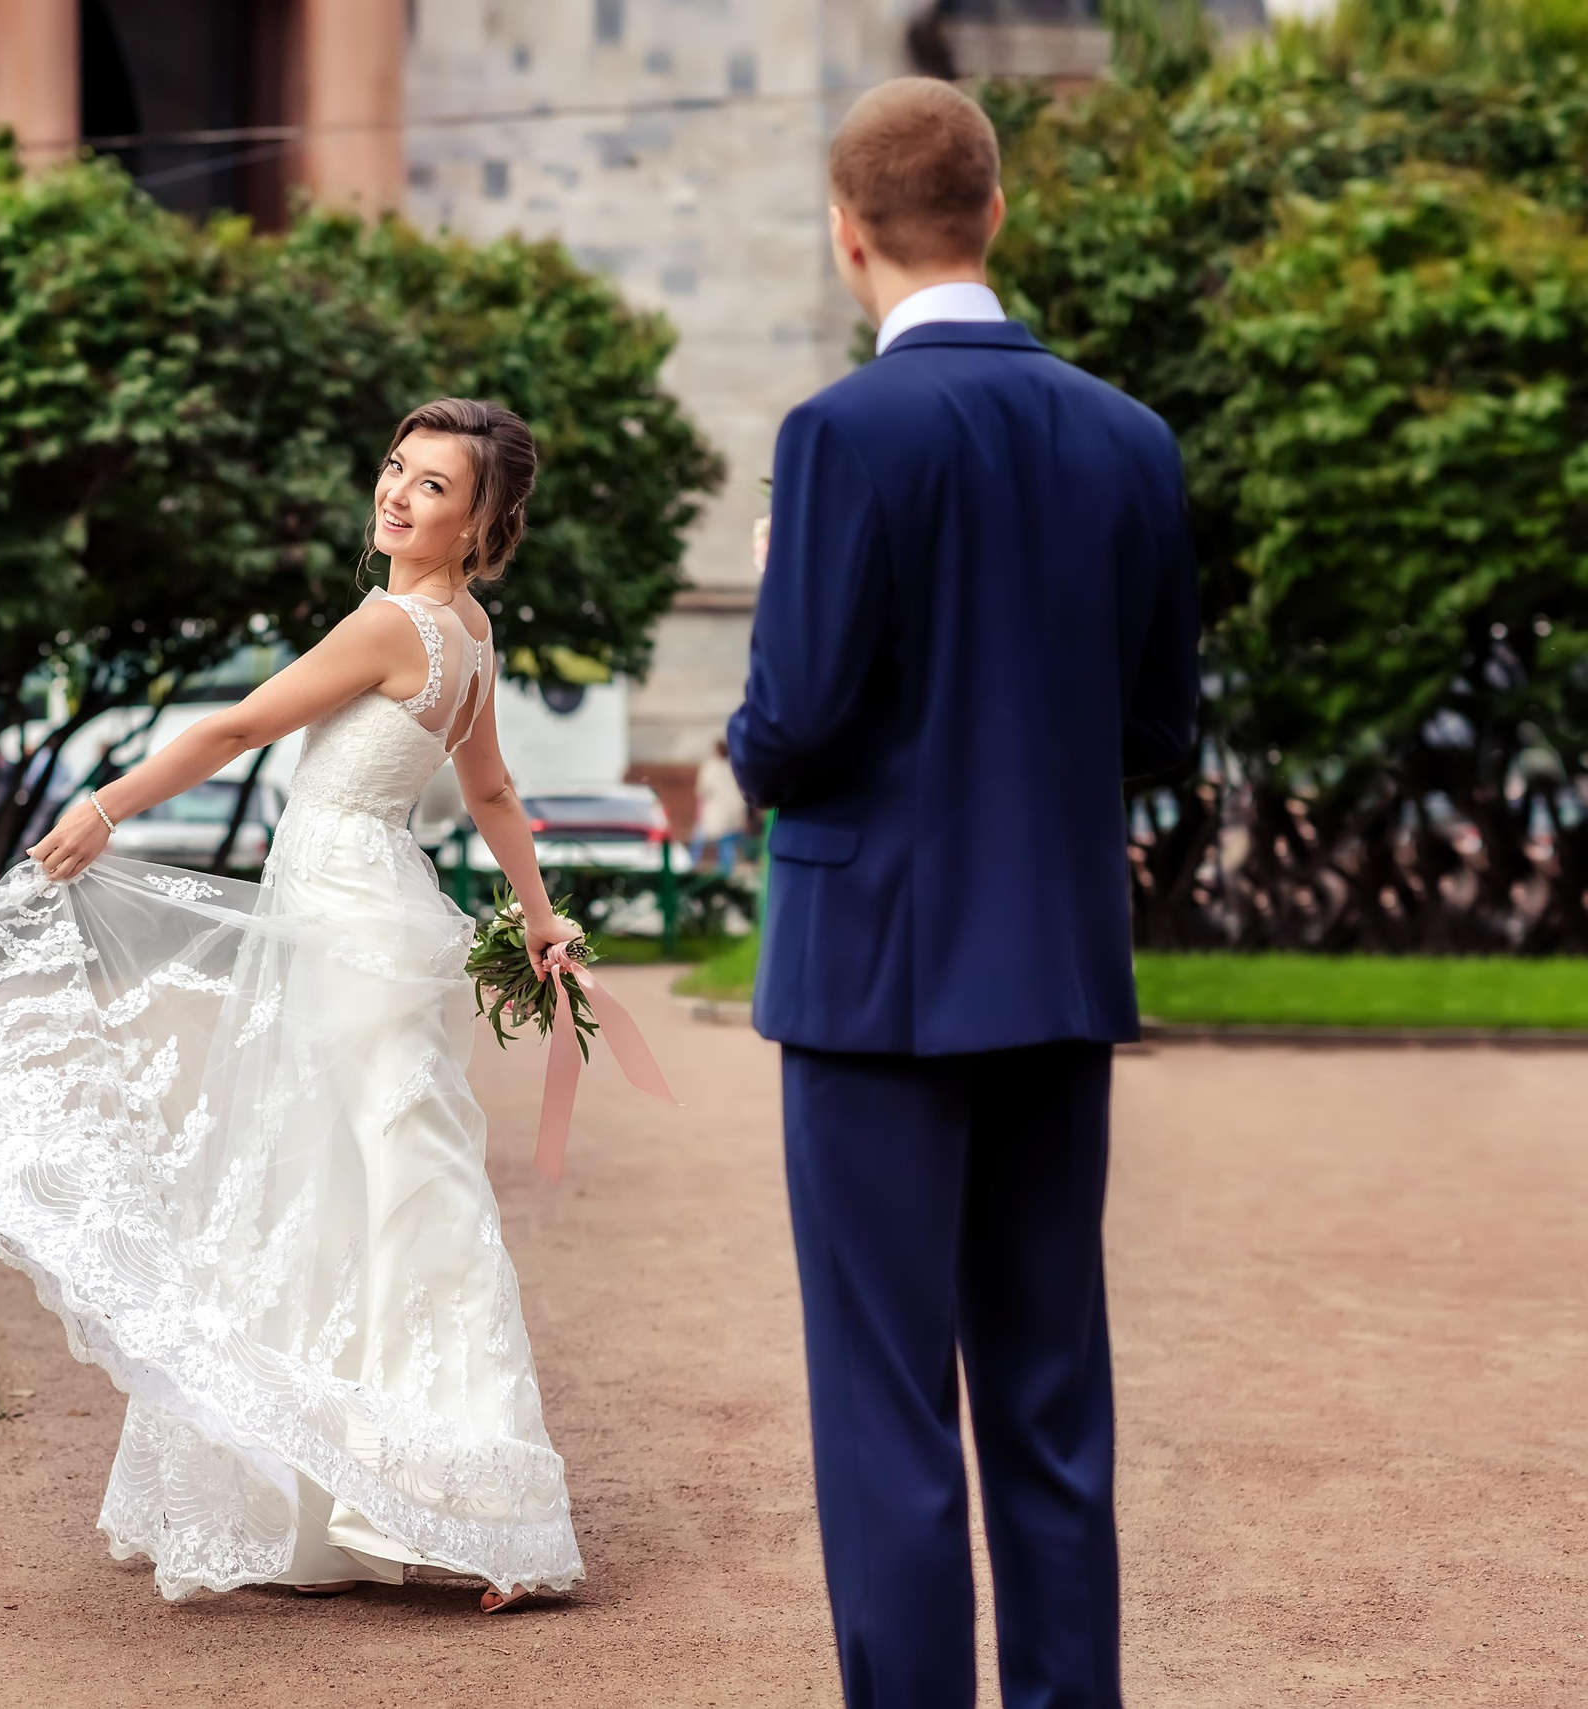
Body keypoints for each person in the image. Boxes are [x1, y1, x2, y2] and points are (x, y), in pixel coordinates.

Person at [0, 398, 588, 1613]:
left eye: (434, 487)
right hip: (374, 908)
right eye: (395, 471)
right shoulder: (470, 630)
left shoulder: (397, 619)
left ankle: (471, 1505)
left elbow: (248, 723)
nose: (398, 497)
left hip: (350, 922)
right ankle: (357, 1497)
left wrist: (107, 804)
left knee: (392, 1184)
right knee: (340, 1186)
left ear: (482, 520)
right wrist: (542, 911)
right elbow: (495, 790)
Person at [725, 79, 1199, 1708]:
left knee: (887, 1403)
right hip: (1058, 965)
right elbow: (1157, 729)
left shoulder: (838, 434)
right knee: (1052, 1395)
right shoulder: (1132, 438)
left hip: (871, 976)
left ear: (847, 234)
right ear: (995, 213)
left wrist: (758, 696)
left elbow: (792, 725)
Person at [690, 737, 746, 872]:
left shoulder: (711, 766)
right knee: (727, 846)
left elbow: (702, 792)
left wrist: (699, 813)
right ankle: (726, 875)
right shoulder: (734, 765)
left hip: (716, 813)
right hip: (735, 812)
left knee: (698, 841)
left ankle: (690, 868)